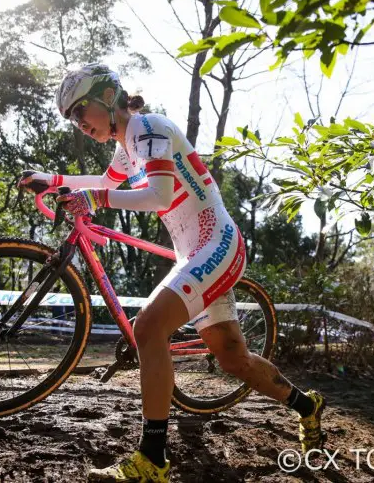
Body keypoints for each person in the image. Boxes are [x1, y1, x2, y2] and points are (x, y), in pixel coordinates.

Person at [19, 64, 326, 482]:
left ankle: (152, 458)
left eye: (80, 112)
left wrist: (96, 198)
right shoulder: (129, 142)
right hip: (196, 253)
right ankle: (307, 406)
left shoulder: (150, 128)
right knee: (233, 359)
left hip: (216, 244)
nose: (79, 124)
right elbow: (107, 179)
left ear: (108, 97)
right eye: (72, 119)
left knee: (148, 328)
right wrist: (53, 180)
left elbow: (157, 194)